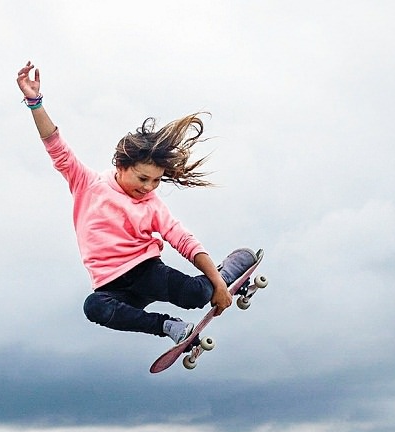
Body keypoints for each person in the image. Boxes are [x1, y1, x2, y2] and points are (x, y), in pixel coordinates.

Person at [16, 60, 258, 345]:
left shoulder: (152, 205)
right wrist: (35, 102)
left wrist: (218, 284)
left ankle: (226, 271)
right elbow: (55, 145)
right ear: (120, 165)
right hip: (112, 286)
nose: (149, 188)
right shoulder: (88, 185)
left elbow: (183, 240)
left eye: (156, 181)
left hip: (146, 272)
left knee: (197, 295)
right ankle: (168, 327)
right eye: (143, 179)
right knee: (94, 307)